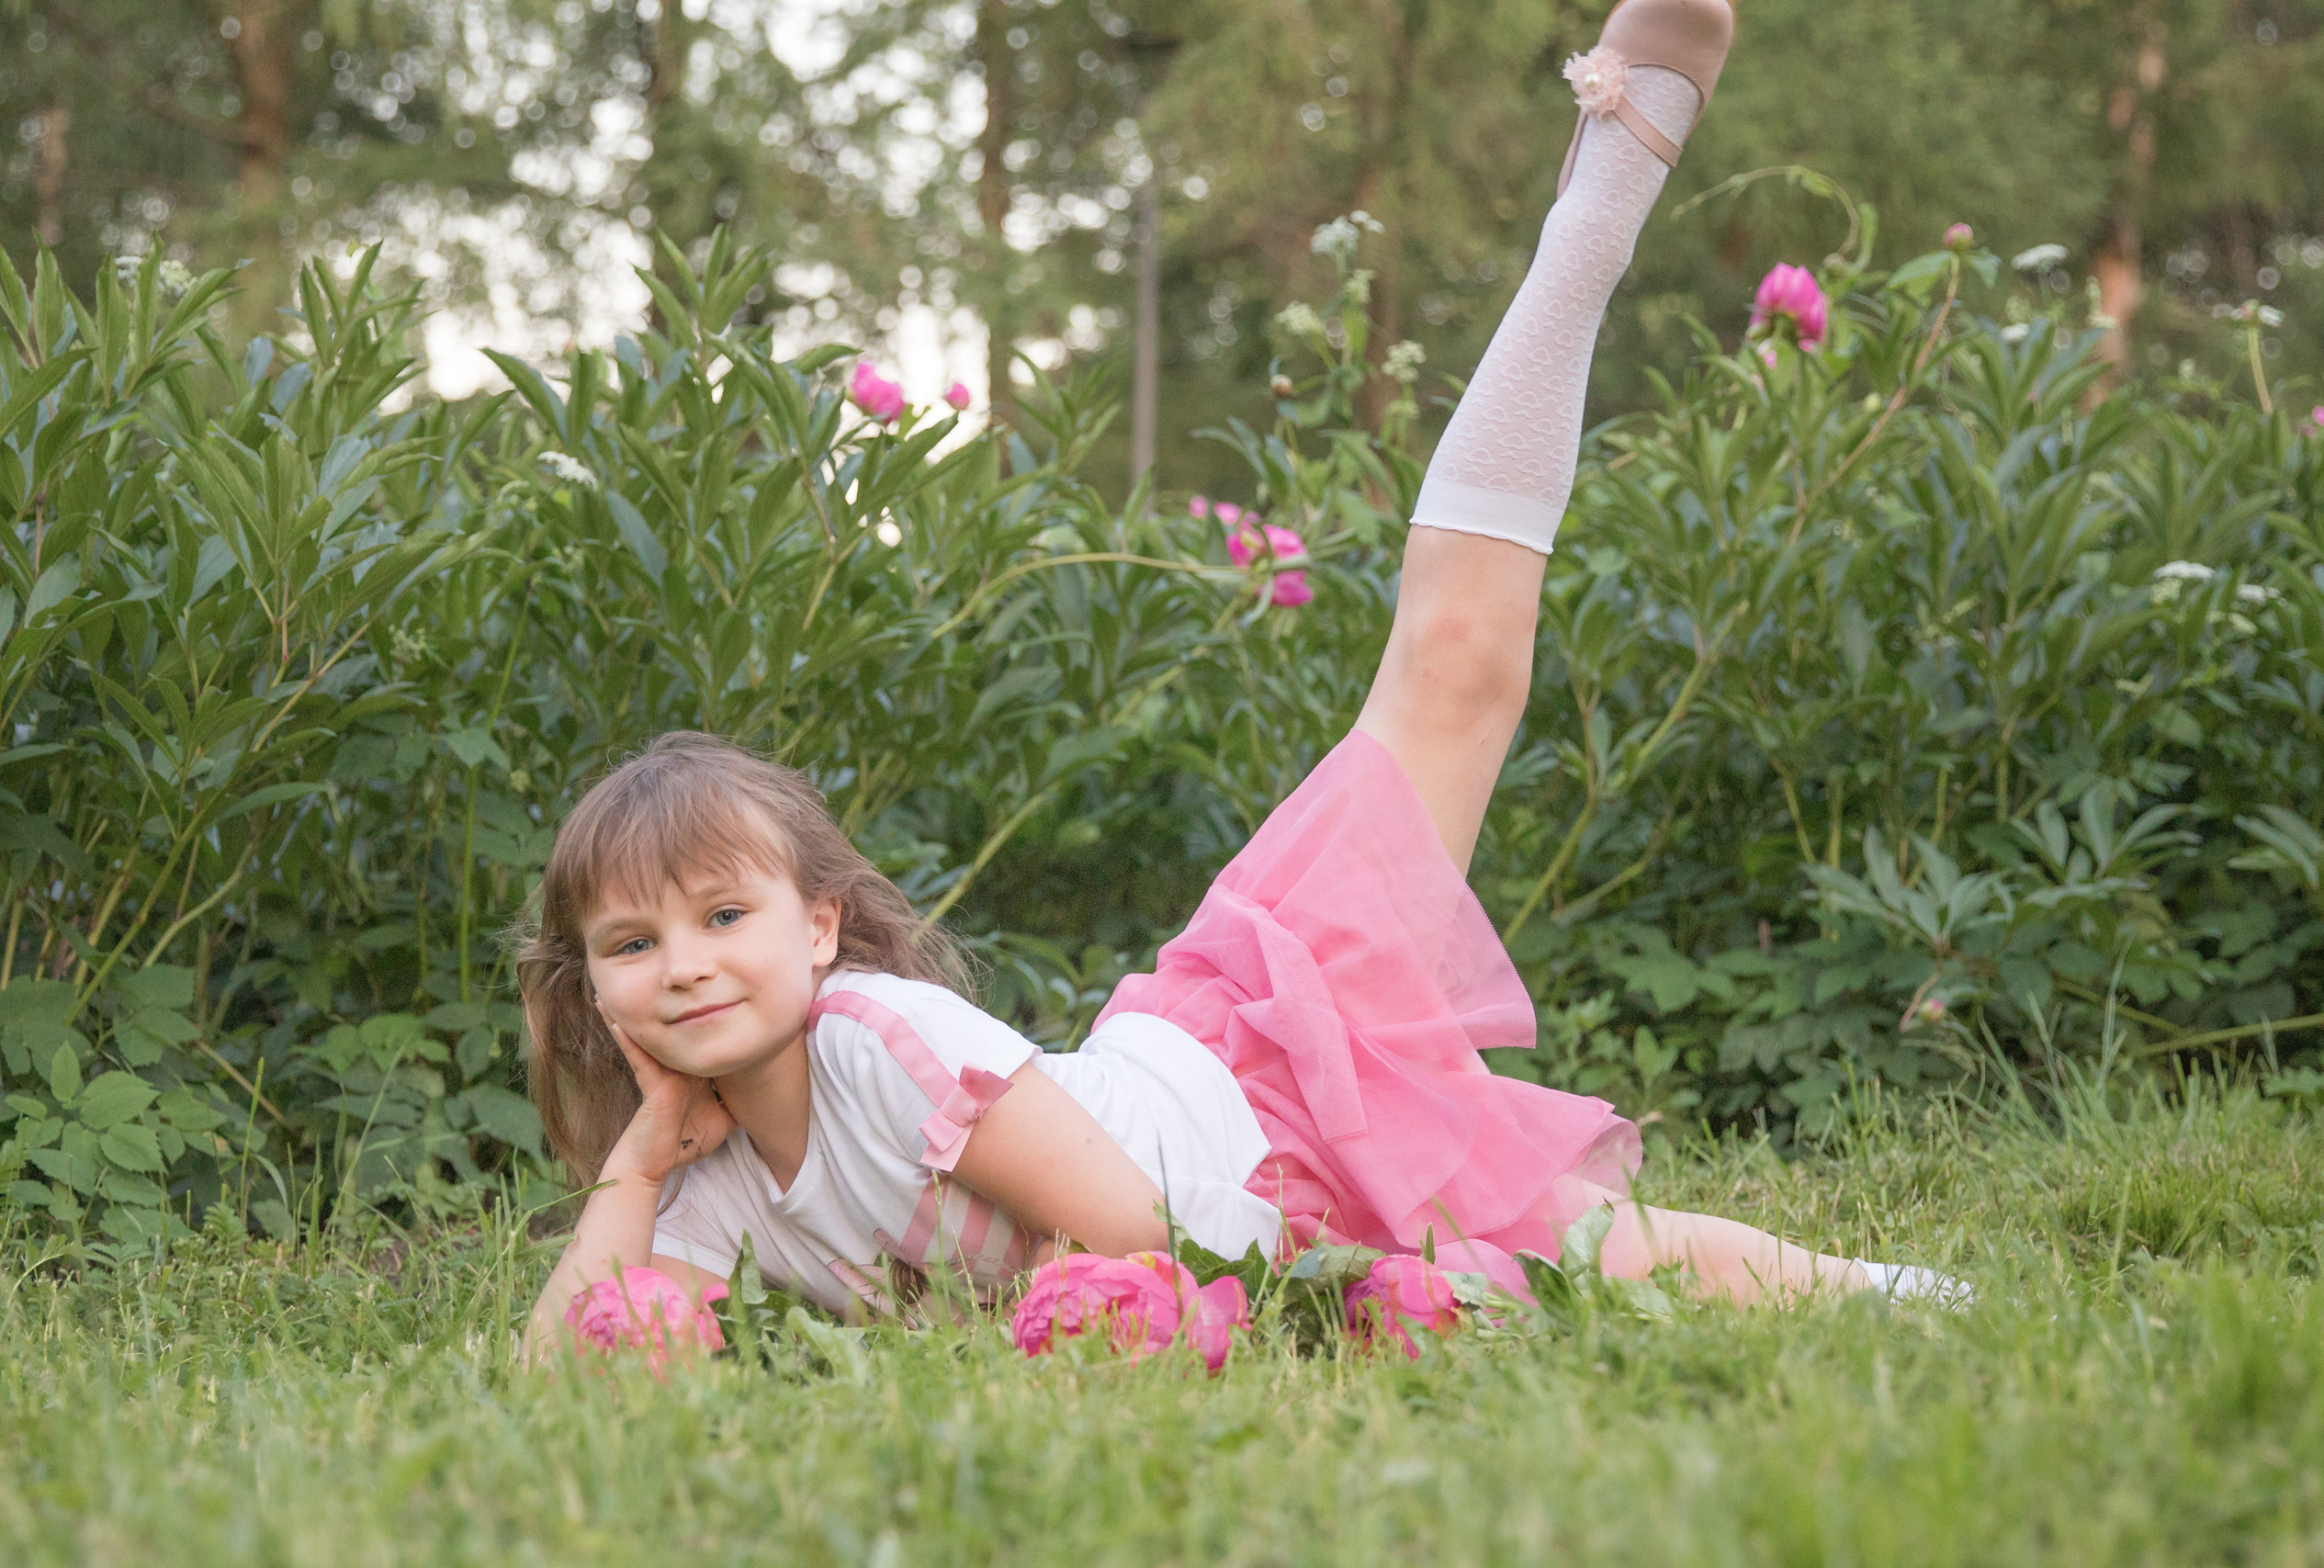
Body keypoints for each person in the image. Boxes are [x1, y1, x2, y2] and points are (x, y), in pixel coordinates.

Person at [519, 0, 1958, 1355]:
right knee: (1592, 1255)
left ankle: (1605, 189)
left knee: (1457, 667)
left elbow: (1155, 1240)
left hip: (1248, 1080)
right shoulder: (713, 1174)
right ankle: (1905, 1300)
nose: (685, 963)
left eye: (723, 914)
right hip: (1260, 1206)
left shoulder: (878, 1047)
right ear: (590, 981)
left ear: (822, 927)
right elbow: (561, 1368)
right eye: (632, 944)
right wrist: (636, 1163)